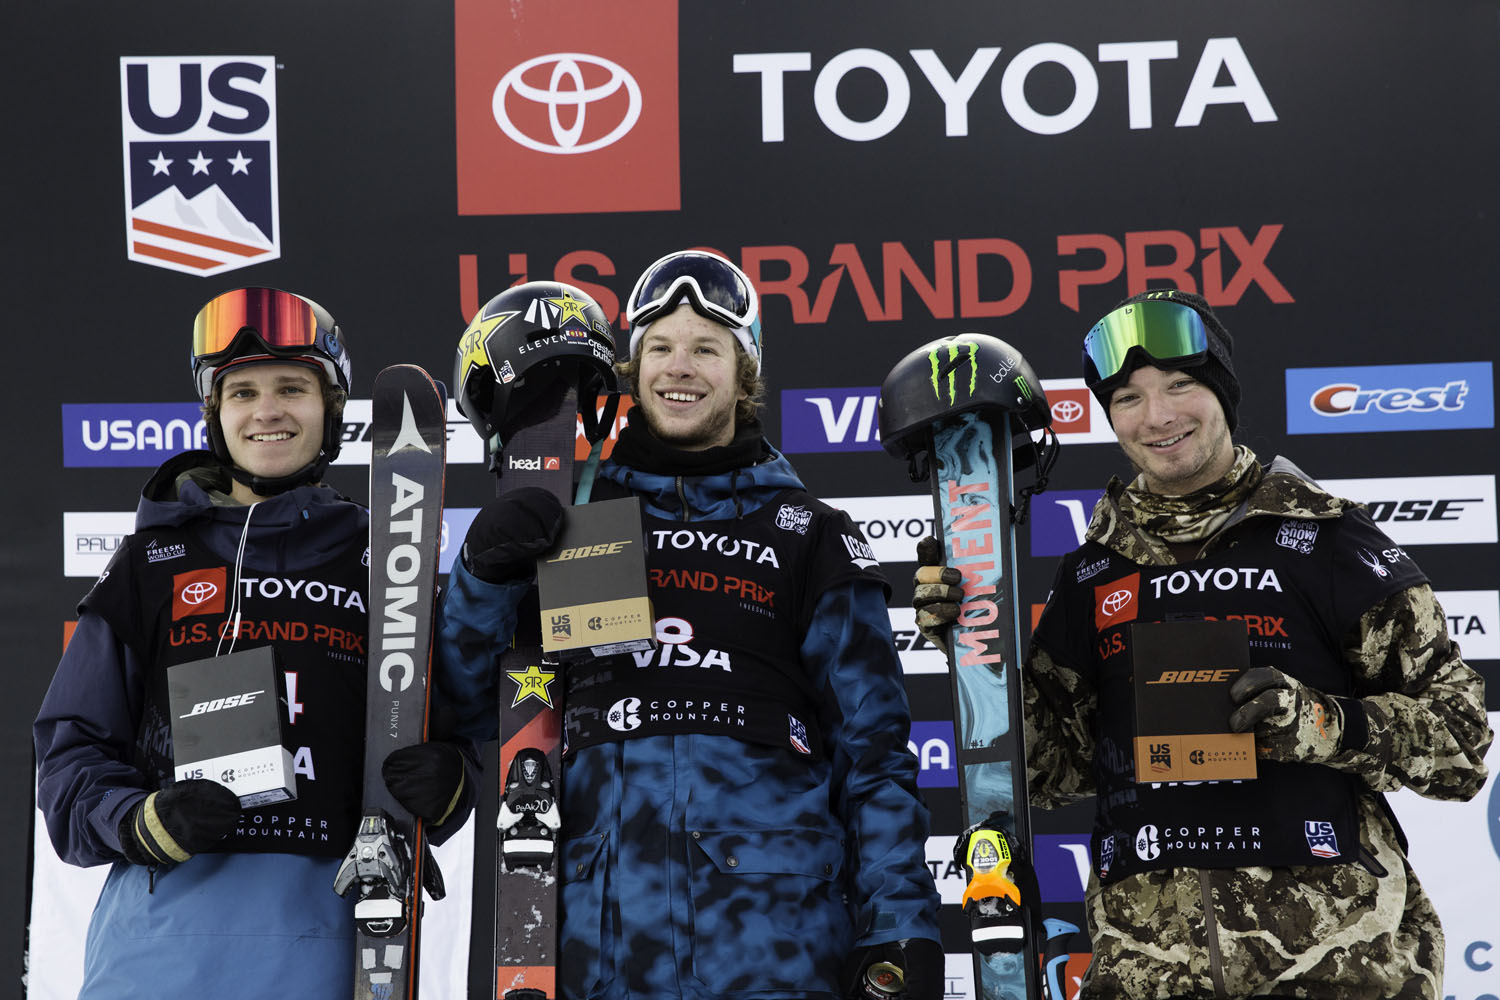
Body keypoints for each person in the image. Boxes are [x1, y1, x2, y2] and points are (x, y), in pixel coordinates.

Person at [914, 288, 1492, 999]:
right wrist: (978, 657)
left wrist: (1318, 721)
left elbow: (1463, 745)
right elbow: (1048, 772)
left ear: (1221, 390)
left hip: (1341, 970)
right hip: (1146, 975)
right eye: (1128, 397)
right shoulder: (1093, 572)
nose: (1157, 417)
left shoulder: (1327, 540)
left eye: (1180, 385)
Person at [440, 252, 943, 1000]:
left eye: (707, 349)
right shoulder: (564, 520)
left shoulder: (809, 532)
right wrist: (482, 575)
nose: (681, 368)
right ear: (631, 370)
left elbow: (874, 753)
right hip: (601, 942)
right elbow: (473, 705)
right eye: (661, 349)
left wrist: (901, 919)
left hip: (777, 943)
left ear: (745, 375)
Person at [34, 287, 476, 999]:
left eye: (292, 388)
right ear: (215, 414)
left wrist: (451, 783)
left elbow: (451, 738)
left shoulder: (390, 560)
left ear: (332, 410)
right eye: (241, 392)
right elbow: (71, 752)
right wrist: (139, 820)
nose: (266, 411)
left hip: (338, 945)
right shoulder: (152, 563)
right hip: (162, 950)